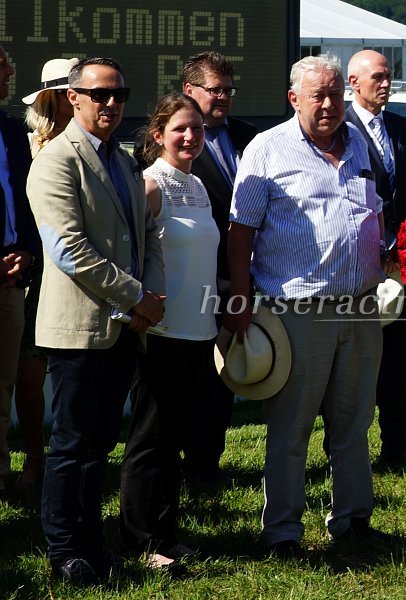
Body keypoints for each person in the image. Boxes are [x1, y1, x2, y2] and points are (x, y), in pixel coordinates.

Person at [226, 54, 387, 556]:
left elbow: (375, 211)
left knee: (355, 422)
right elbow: (240, 232)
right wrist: (239, 297)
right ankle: (282, 532)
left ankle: (353, 520)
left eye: (336, 94)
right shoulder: (267, 148)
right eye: (318, 95)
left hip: (361, 306)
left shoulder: (357, 142)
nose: (329, 104)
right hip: (298, 311)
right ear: (293, 98)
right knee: (292, 426)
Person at [27, 57, 166, 586]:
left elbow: (147, 233)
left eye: (119, 94)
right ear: (73, 97)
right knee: (71, 447)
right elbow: (68, 250)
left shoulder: (124, 160)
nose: (111, 103)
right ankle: (64, 551)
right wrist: (136, 297)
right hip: (78, 329)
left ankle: (92, 543)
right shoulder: (56, 160)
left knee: (100, 445)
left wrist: (150, 295)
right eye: (99, 94)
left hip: (124, 326)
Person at [119, 93, 217, 570]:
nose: (190, 136)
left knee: (175, 437)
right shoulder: (150, 184)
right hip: (160, 332)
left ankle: (166, 534)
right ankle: (139, 540)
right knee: (149, 439)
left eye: (197, 128)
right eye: (180, 128)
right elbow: (128, 253)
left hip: (199, 331)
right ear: (158, 135)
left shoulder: (199, 185)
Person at [344, 49, 406, 465]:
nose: (386, 83)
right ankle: (348, 446)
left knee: (395, 357)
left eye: (388, 75)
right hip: (357, 266)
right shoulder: (339, 129)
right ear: (353, 82)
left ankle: (397, 443)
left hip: (401, 264)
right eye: (377, 76)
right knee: (355, 361)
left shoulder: (400, 126)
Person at [181, 51, 258, 492]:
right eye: (215, 90)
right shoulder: (171, 138)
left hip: (240, 277)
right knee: (190, 380)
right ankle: (185, 466)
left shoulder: (249, 137)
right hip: (191, 280)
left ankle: (208, 463)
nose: (224, 97)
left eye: (229, 89)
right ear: (189, 90)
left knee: (223, 378)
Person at [11, 57, 78, 491]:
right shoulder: (26, 145)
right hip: (35, 271)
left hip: (74, 270)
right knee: (30, 372)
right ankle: (35, 459)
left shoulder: (94, 146)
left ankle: (73, 457)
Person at [0, 44, 40, 494]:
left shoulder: (12, 132)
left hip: (12, 278)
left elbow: (25, 203)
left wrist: (26, 252)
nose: (10, 72)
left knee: (4, 384)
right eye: (1, 65)